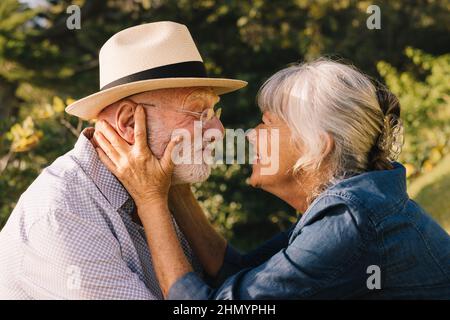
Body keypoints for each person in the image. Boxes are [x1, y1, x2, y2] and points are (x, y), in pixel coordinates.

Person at [94, 58, 450, 299]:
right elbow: (235, 271)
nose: (250, 136)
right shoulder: (357, 203)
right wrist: (176, 191)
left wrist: (150, 199)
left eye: (267, 125)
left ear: (316, 148)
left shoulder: (349, 223)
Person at [0, 21, 246, 299]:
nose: (218, 131)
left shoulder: (159, 181)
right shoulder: (63, 215)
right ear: (130, 123)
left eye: (213, 112)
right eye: (198, 113)